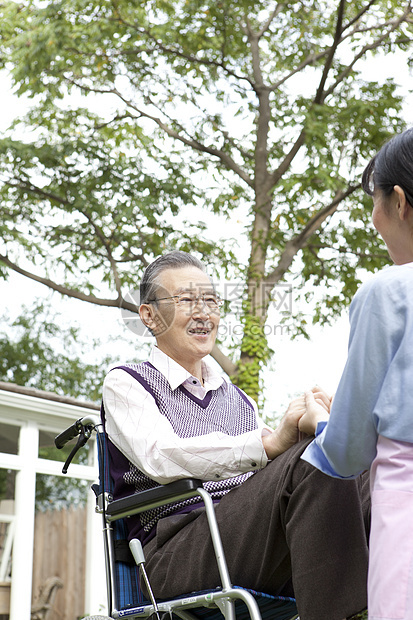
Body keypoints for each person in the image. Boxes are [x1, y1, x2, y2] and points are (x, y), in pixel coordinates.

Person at [102, 250, 370, 620]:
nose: (203, 313)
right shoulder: (127, 384)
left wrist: (329, 426)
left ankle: (384, 600)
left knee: (362, 465)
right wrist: (272, 443)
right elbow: (161, 456)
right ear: (149, 315)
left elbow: (267, 477)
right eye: (186, 301)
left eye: (210, 300)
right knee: (310, 459)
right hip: (172, 555)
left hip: (244, 543)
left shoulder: (239, 400)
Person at [301, 128, 413, 620]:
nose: (374, 221)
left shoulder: (389, 294)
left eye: (375, 203)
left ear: (400, 201)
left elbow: (347, 452)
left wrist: (320, 422)